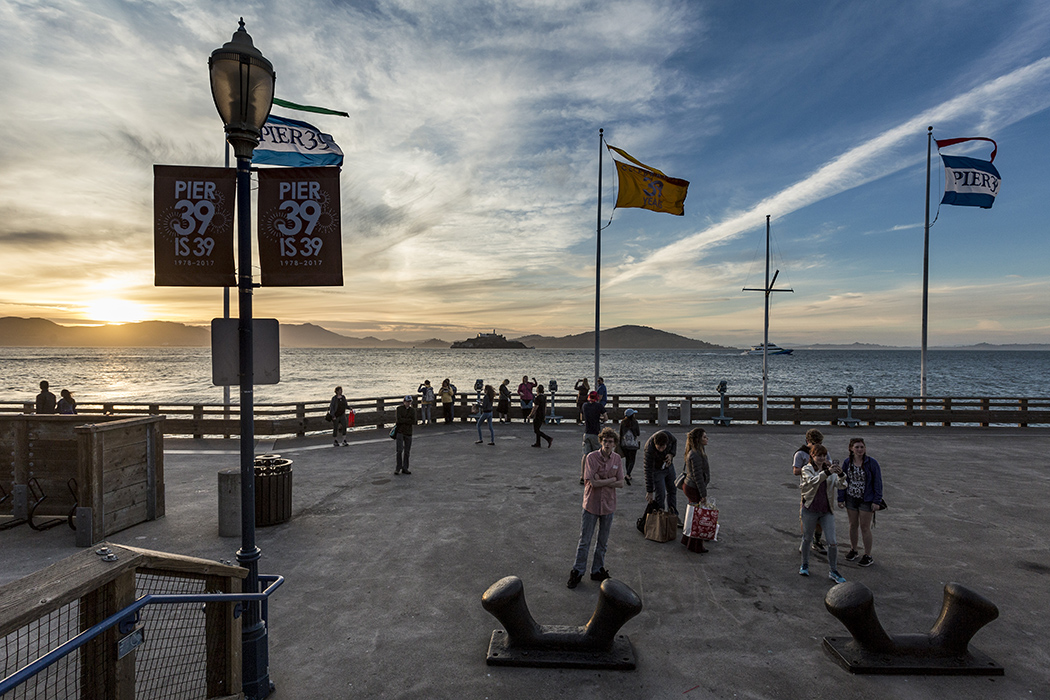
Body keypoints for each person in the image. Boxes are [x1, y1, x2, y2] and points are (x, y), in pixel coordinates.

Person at [567, 428, 625, 589]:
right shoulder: (591, 458)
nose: (607, 444)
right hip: (591, 504)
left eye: (610, 442)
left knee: (603, 542)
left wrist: (603, 480)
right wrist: (611, 479)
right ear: (600, 442)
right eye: (605, 441)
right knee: (584, 540)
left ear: (614, 444)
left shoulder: (617, 459)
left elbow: (621, 483)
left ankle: (597, 570)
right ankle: (577, 571)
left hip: (608, 505)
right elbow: (593, 483)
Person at [799, 444, 845, 582]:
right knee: (807, 538)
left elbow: (841, 485)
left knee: (832, 542)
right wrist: (827, 473)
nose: (821, 458)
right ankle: (805, 564)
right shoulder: (806, 469)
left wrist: (841, 474)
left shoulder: (828, 470)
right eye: (819, 455)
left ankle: (833, 570)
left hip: (826, 511)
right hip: (810, 509)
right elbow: (812, 481)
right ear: (812, 456)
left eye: (824, 455)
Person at [838, 438, 883, 568]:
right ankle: (854, 549)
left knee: (865, 527)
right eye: (857, 447)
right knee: (853, 525)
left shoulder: (871, 463)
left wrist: (877, 501)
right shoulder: (847, 462)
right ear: (851, 448)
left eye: (862, 447)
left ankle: (868, 555)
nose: (859, 450)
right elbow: (842, 480)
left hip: (866, 499)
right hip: (851, 497)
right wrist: (841, 498)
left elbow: (878, 482)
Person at [793, 429, 827, 555]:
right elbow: (795, 471)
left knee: (820, 517)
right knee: (805, 517)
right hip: (807, 490)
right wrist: (809, 468)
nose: (817, 446)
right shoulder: (800, 453)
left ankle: (817, 541)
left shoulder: (822, 452)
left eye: (819, 443)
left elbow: (828, 466)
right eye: (814, 443)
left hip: (821, 489)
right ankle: (806, 540)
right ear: (807, 441)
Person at [681, 428, 711, 553]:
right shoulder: (696, 454)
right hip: (693, 488)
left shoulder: (696, 451)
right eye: (704, 437)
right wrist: (703, 494)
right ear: (698, 439)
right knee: (697, 517)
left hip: (690, 486)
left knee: (693, 514)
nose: (707, 439)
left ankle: (686, 540)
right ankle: (695, 545)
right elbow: (697, 477)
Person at [643, 429, 679, 519]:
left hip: (668, 466)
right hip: (657, 470)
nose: (661, 450)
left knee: (672, 490)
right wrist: (650, 491)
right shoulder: (649, 450)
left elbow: (674, 442)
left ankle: (673, 514)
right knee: (660, 494)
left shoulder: (669, 436)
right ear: (655, 444)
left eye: (663, 447)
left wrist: (671, 454)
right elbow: (648, 470)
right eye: (659, 448)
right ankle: (660, 516)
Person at [580, 391, 607, 484]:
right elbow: (606, 418)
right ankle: (597, 475)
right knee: (598, 455)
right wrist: (600, 418)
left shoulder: (584, 406)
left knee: (585, 455)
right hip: (596, 433)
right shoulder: (599, 406)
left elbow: (581, 417)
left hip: (586, 433)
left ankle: (582, 476)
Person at [618, 408, 641, 485]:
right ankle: (628, 474)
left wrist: (620, 443)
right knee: (632, 460)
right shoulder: (635, 422)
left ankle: (628, 474)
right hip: (633, 444)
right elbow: (638, 433)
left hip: (624, 444)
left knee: (627, 459)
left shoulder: (623, 422)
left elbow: (620, 433)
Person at [394, 395, 415, 475]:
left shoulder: (412, 410)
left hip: (408, 432)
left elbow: (413, 421)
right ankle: (398, 468)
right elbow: (398, 420)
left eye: (409, 402)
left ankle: (405, 468)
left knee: (407, 451)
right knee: (399, 450)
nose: (408, 403)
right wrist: (407, 420)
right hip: (400, 431)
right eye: (407, 402)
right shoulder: (399, 409)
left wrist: (404, 420)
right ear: (404, 402)